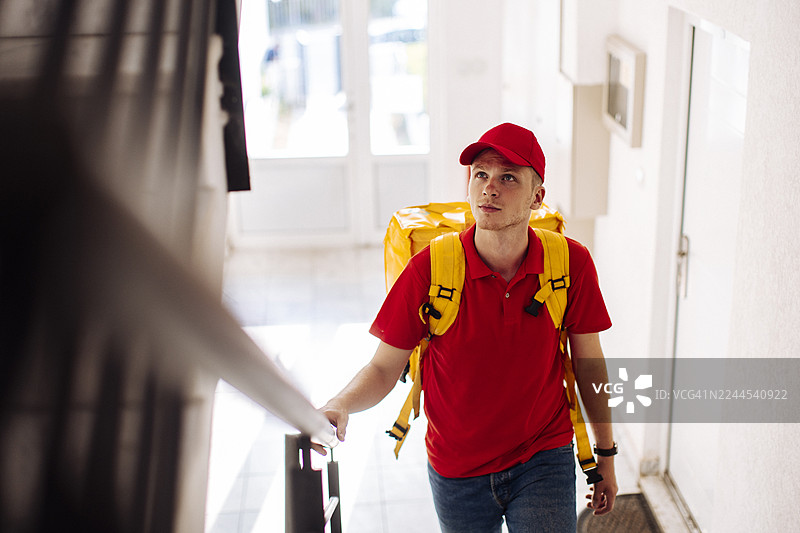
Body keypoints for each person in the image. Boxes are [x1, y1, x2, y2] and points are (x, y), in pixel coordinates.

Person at [317, 122, 617, 532]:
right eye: (481, 174)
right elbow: (384, 367)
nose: (489, 188)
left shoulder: (570, 263)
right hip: (457, 469)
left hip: (542, 455)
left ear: (537, 197)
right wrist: (341, 403)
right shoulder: (431, 268)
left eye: (507, 177)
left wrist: (606, 455)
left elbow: (589, 363)